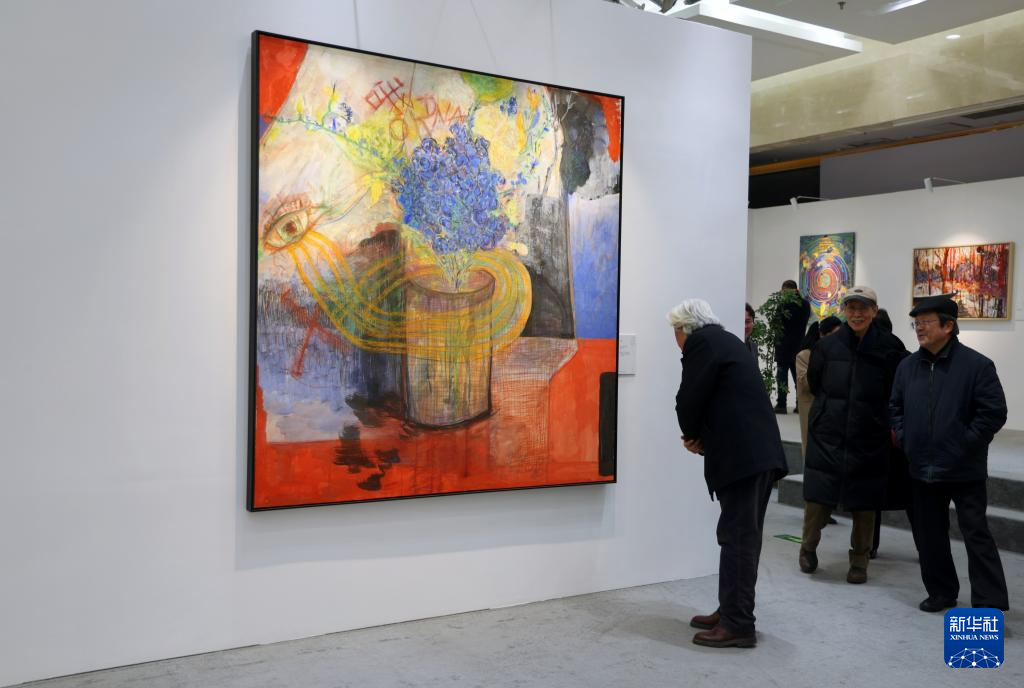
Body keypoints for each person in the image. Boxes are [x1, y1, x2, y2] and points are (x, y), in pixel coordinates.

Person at [671, 299, 788, 648]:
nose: (676, 340)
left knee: (737, 539)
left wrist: (692, 435)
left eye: (675, 332)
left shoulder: (701, 343)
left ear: (684, 329)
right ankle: (732, 610)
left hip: (745, 458)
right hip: (756, 456)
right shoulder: (725, 341)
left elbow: (689, 398)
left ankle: (738, 624)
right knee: (741, 537)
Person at [890, 295, 1009, 613]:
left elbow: (993, 412)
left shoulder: (977, 365)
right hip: (921, 465)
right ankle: (941, 592)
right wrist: (906, 439)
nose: (919, 328)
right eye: (916, 323)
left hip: (964, 466)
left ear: (948, 326)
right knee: (929, 535)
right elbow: (895, 408)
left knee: (976, 533)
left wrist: (965, 443)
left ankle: (989, 601)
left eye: (926, 322)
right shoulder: (907, 367)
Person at [799, 286, 908, 584]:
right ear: (844, 310)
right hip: (829, 433)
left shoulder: (890, 347)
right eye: (852, 308)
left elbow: (896, 389)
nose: (857, 314)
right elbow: (815, 383)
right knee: (818, 498)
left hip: (869, 435)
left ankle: (860, 561)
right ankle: (807, 548)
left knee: (865, 502)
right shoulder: (827, 346)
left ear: (874, 311)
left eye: (863, 308)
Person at [794, 316, 841, 458]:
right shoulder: (804, 355)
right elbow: (806, 383)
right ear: (822, 335)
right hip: (812, 410)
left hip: (834, 411)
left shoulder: (842, 355)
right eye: (833, 335)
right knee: (811, 451)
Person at [773, 280, 810, 414]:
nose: (784, 294)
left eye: (785, 292)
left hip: (785, 346)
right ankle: (797, 405)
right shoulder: (805, 304)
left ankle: (783, 404)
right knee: (796, 378)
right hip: (796, 346)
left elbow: (777, 323)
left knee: (784, 377)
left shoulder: (784, 305)